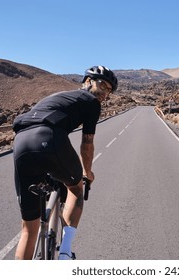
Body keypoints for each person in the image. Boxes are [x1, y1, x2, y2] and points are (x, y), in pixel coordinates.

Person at [12, 66, 118, 260]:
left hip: (20, 142)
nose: (104, 92)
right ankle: (66, 253)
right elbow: (87, 144)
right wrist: (87, 172)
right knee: (76, 188)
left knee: (28, 228)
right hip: (49, 138)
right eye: (102, 84)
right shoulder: (91, 102)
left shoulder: (59, 96)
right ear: (87, 81)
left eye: (109, 90)